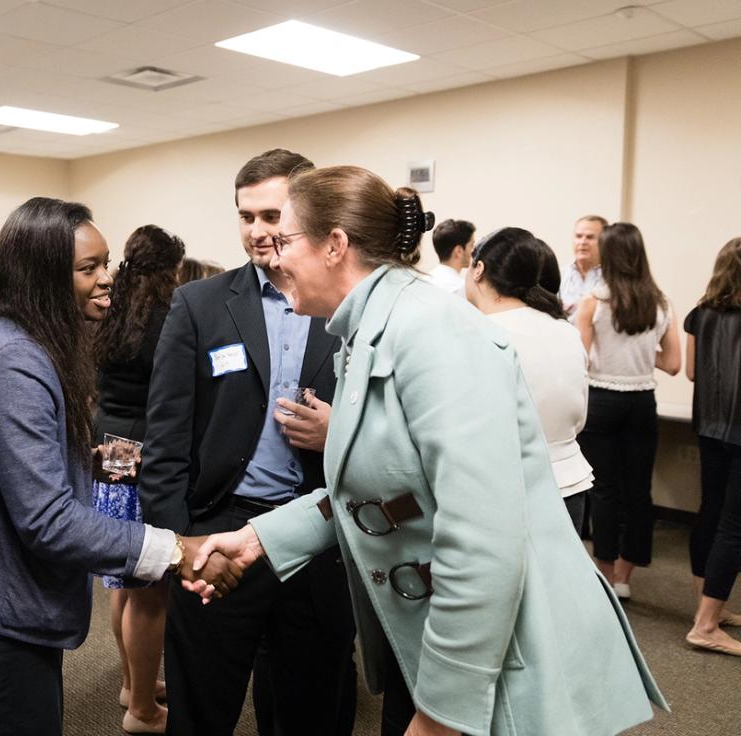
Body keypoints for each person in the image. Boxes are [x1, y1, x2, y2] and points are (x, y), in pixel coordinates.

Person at [189, 165, 667, 736]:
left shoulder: (438, 335)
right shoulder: (369, 331)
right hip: (428, 632)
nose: (270, 254)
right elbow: (383, 488)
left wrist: (442, 711)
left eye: (284, 239)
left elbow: (482, 538)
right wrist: (257, 539)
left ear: (335, 245)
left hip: (497, 653)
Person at [0, 197, 240, 736]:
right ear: (43, 276)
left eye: (107, 264)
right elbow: (46, 519)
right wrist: (175, 550)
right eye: (89, 268)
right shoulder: (16, 358)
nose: (107, 280)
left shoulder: (25, 338)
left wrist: (91, 460)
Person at [140, 149, 356, 736]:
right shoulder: (200, 304)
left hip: (317, 532)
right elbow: (165, 437)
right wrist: (175, 545)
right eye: (246, 217)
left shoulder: (347, 307)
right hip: (217, 530)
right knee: (202, 709)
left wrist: (338, 431)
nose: (258, 231)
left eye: (271, 215)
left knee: (307, 710)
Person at [92, 225, 186, 733]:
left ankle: (134, 683)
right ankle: (142, 711)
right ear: (173, 268)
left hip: (109, 452)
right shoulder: (168, 317)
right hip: (148, 456)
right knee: (150, 591)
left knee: (123, 582)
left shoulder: (110, 309)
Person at [576, 222, 681, 599]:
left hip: (601, 401)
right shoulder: (660, 302)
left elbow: (580, 361)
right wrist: (637, 355)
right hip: (641, 403)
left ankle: (604, 571)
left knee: (603, 490)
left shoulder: (594, 302)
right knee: (638, 491)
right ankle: (624, 577)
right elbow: (672, 364)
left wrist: (614, 355)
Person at [465, 228, 593, 530]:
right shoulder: (565, 330)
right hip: (569, 484)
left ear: (479, 269)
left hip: (505, 489)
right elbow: (578, 417)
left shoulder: (478, 333)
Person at [683, 236, 741, 656]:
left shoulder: (699, 314)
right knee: (735, 527)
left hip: (708, 425)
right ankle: (706, 625)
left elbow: (690, 372)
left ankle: (708, 607)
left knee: (711, 512)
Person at [559, 215, 607, 318]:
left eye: (590, 237)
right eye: (578, 236)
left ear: (604, 241)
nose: (582, 242)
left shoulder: (612, 278)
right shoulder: (560, 275)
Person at [426, 218, 474, 295]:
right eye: (471, 245)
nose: (473, 251)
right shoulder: (461, 289)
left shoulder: (423, 281)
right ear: (458, 251)